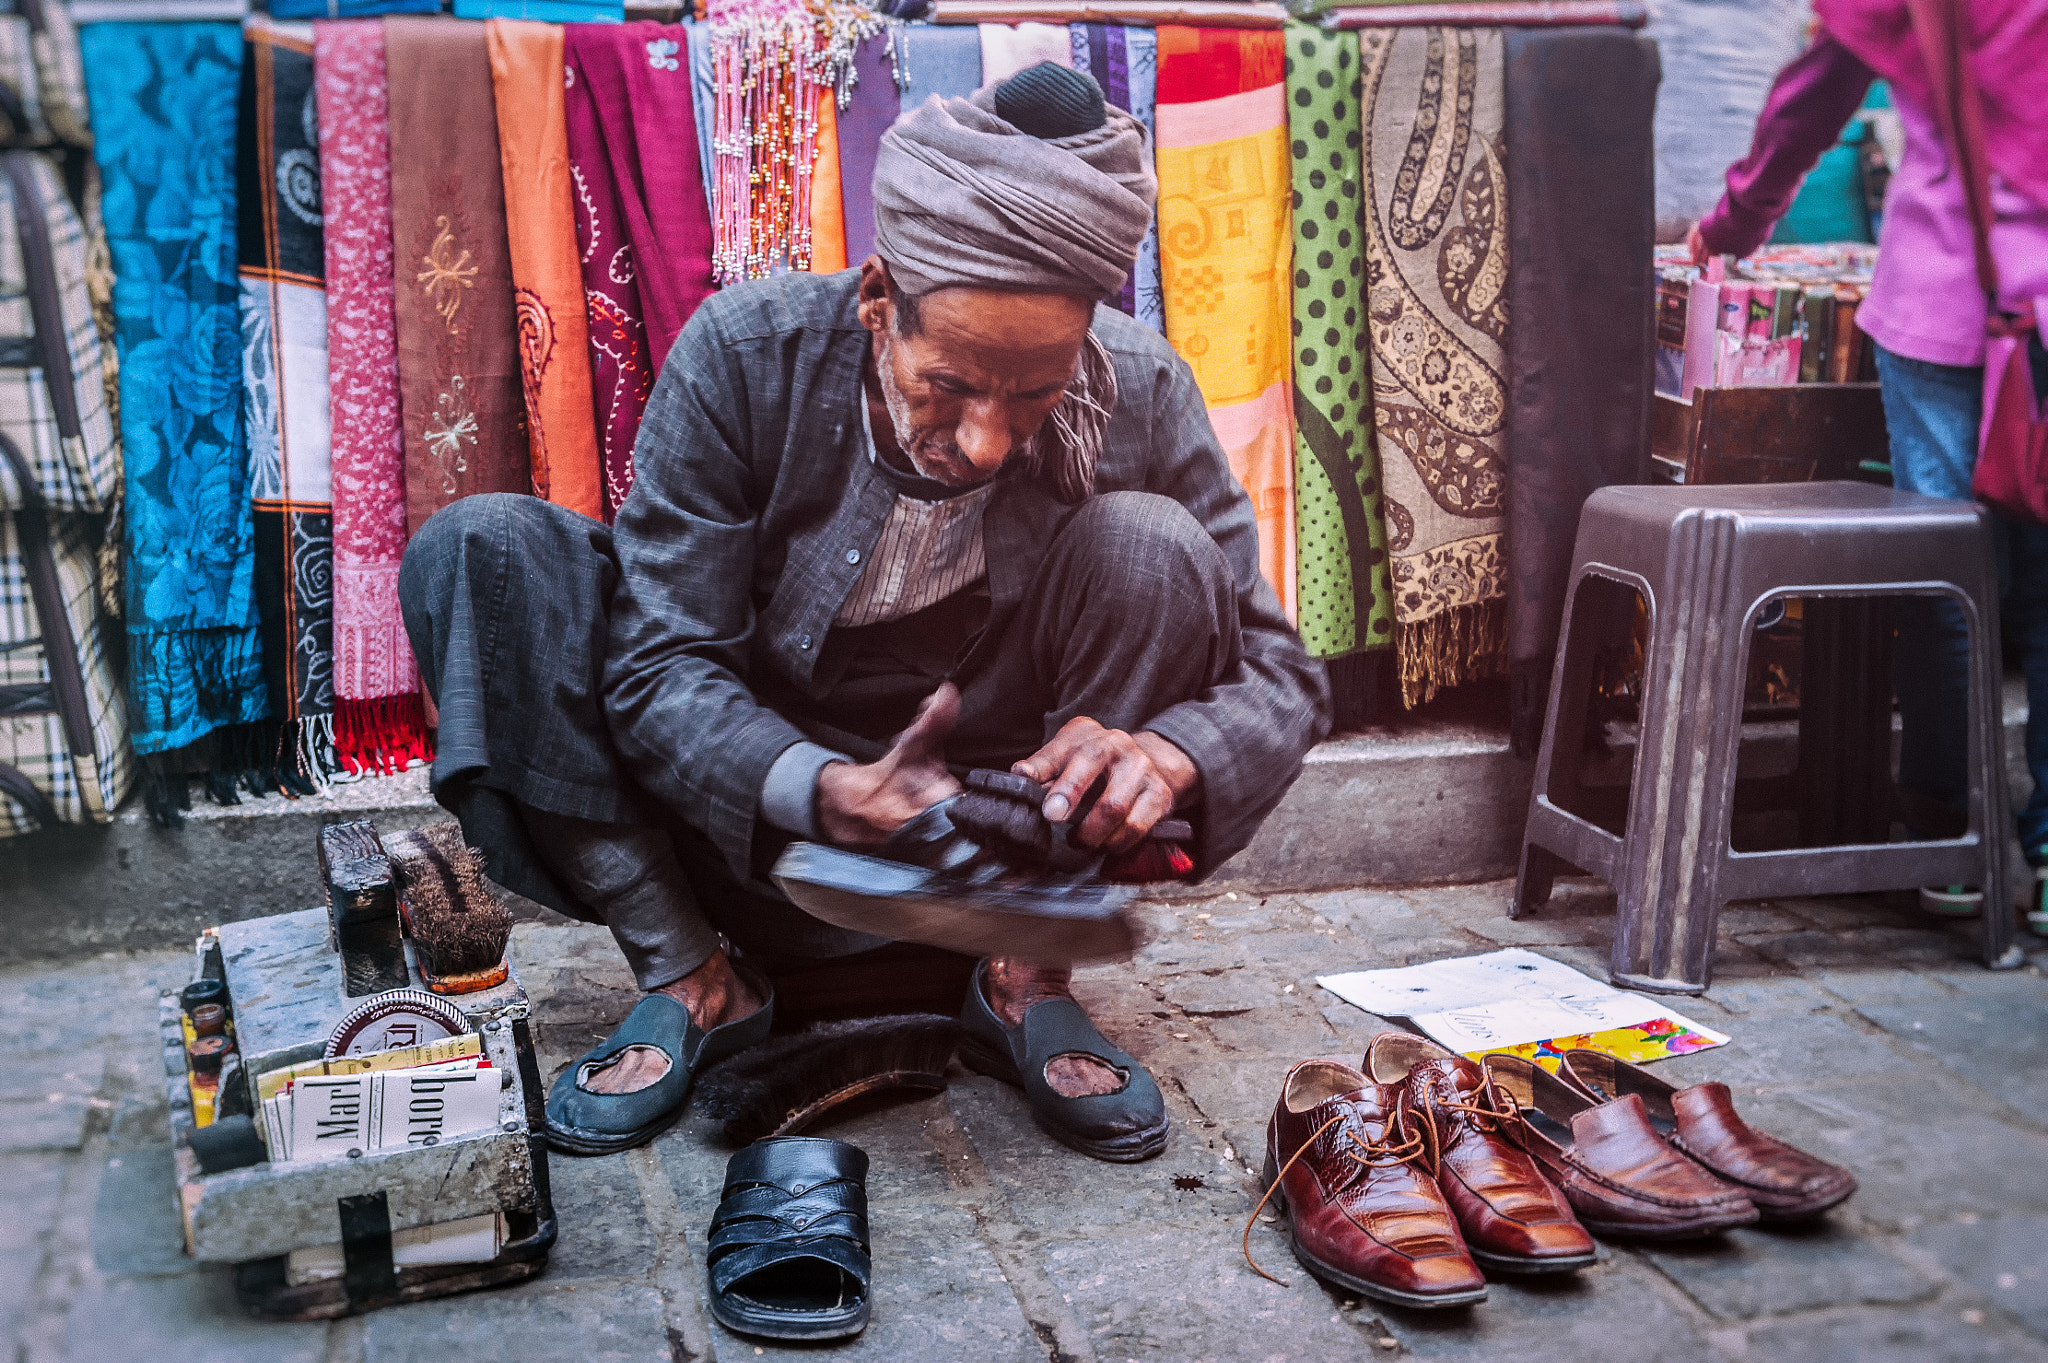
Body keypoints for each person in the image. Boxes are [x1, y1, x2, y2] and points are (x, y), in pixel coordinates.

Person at [398, 64, 1329, 1162]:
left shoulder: (1140, 383)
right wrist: (822, 787)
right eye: (950, 384)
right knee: (484, 552)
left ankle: (1022, 981)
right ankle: (696, 982)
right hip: (752, 832)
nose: (989, 439)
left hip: (983, 854)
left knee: (1153, 542)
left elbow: (1281, 672)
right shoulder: (745, 356)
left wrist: (1169, 756)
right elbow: (662, 666)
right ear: (879, 300)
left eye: (1034, 394)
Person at [1691, 0, 2048, 930]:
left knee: (1944, 571)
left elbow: (1813, 97)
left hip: (1945, 297)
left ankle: (1951, 841)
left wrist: (1736, 222)